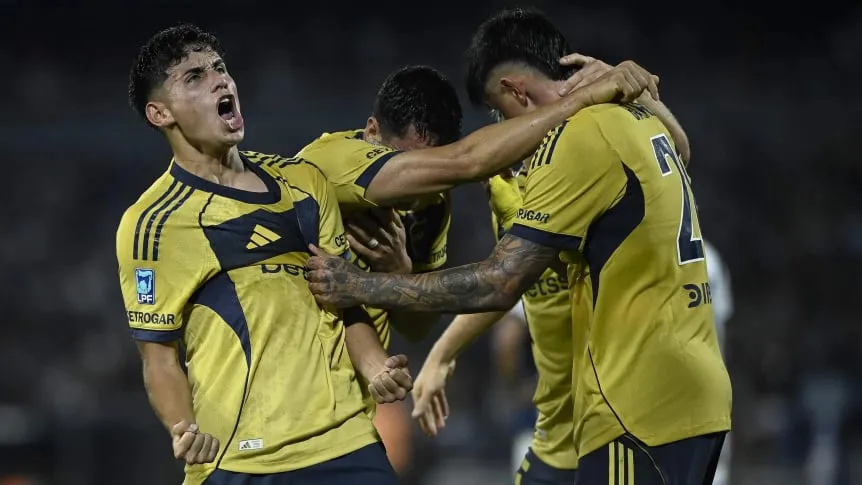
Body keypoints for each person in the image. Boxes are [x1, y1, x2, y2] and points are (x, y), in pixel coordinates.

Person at [306, 8, 732, 485]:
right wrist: (641, 93)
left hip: (635, 405)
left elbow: (500, 281)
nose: (507, 133)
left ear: (515, 91)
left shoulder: (577, 141)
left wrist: (361, 284)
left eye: (500, 113)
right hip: (681, 396)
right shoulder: (633, 119)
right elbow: (681, 152)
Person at [118, 24, 413, 485]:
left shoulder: (305, 182)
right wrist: (183, 426)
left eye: (219, 68)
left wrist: (375, 365)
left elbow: (345, 299)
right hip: (239, 459)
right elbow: (158, 359)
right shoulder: (152, 224)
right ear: (161, 113)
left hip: (345, 443)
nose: (219, 80)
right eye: (194, 77)